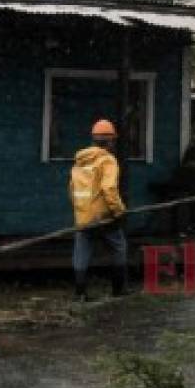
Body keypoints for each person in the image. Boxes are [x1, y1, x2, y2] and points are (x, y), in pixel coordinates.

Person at [69, 119, 128, 300]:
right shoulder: (107, 160)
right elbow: (109, 188)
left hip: (83, 216)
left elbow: (72, 189)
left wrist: (81, 212)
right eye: (113, 141)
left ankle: (80, 293)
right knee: (119, 247)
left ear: (94, 140)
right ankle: (118, 290)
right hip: (103, 216)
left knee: (81, 252)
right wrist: (119, 212)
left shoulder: (80, 161)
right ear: (110, 141)